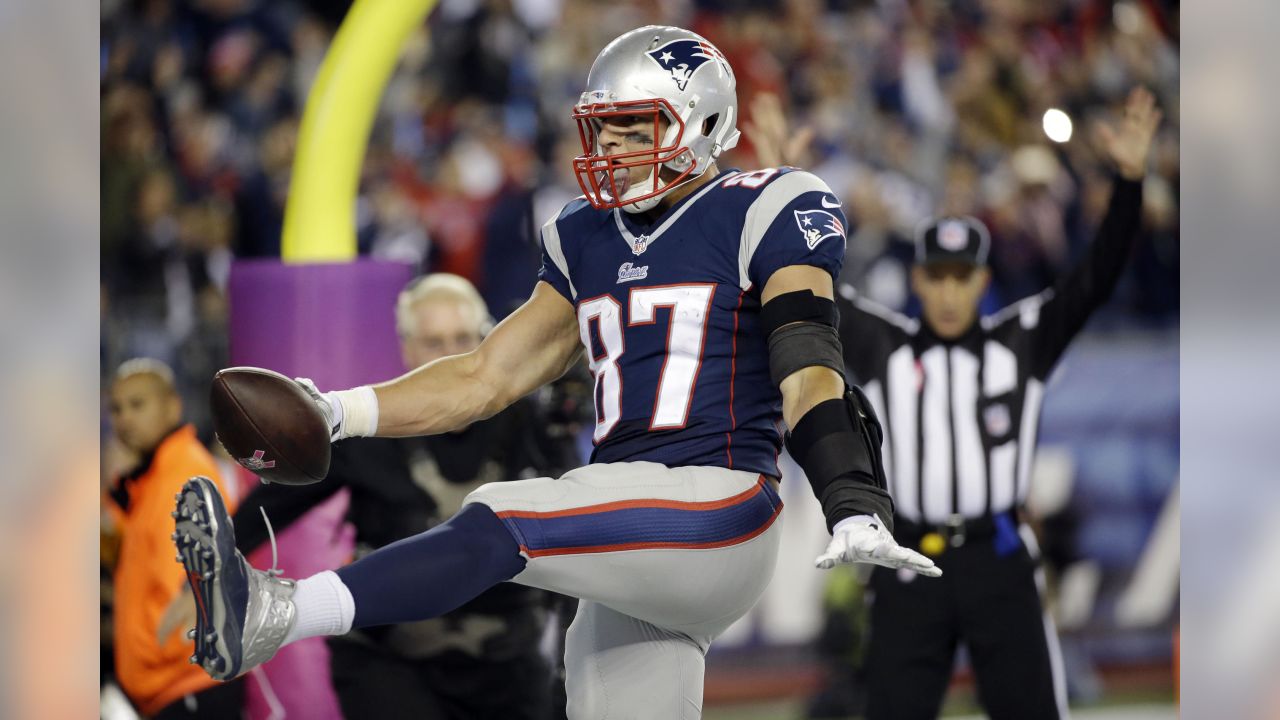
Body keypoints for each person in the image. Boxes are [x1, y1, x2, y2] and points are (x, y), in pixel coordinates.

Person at [173, 25, 939, 719]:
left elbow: (809, 364)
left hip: (719, 503)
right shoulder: (582, 234)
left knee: (505, 515)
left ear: (702, 125)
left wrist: (851, 497)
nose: (611, 150)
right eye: (603, 129)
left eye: (635, 128)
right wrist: (336, 410)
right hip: (631, 538)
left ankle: (277, 612)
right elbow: (482, 377)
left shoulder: (768, 204)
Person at [832, 88, 1159, 719]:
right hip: (910, 559)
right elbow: (813, 294)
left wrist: (1128, 182)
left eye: (963, 276)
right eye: (938, 276)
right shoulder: (884, 345)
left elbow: (1096, 276)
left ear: (982, 280)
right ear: (920, 279)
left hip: (1000, 557)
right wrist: (764, 193)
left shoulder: (1022, 339)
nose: (950, 292)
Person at [225, 273, 575, 719]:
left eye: (464, 338)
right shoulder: (364, 425)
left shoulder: (535, 425)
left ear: (489, 341)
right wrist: (202, 580)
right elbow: (265, 510)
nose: (452, 355)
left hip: (507, 663)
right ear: (406, 349)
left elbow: (580, 545)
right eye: (433, 342)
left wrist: (570, 670)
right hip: (390, 662)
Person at [103, 359, 243, 718]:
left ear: (172, 406)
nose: (125, 419)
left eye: (138, 404)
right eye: (116, 409)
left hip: (189, 685)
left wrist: (149, 657)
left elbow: (186, 596)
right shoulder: (151, 481)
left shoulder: (184, 474)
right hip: (172, 688)